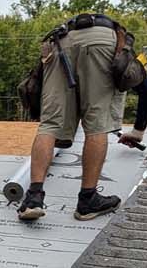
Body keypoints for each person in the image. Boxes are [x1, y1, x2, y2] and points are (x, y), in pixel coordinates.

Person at [17, 14, 125, 222]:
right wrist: (138, 131)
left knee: (49, 124)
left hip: (62, 40)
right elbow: (142, 85)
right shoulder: (114, 34)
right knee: (97, 123)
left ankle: (33, 198)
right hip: (101, 41)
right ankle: (87, 200)